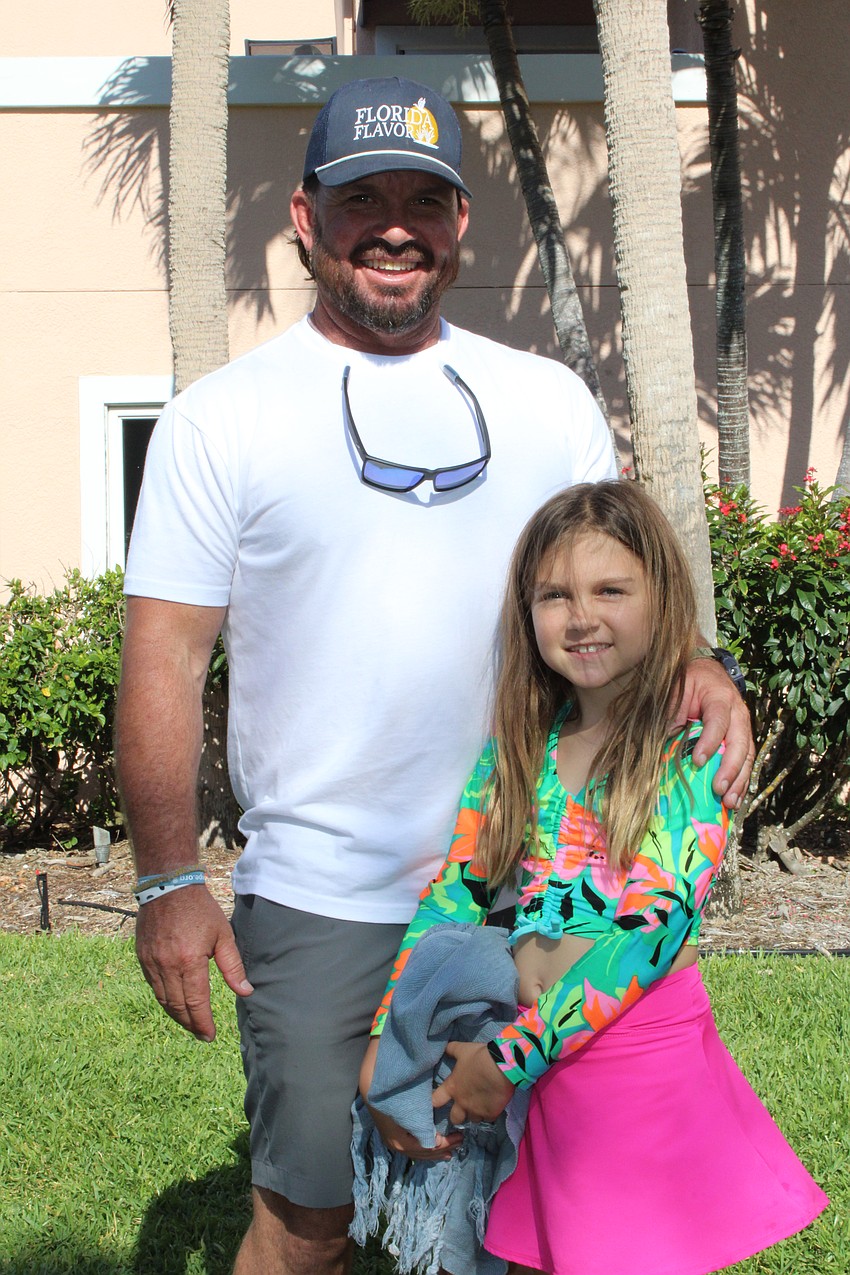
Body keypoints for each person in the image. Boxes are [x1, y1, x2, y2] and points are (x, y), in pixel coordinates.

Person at [115, 76, 753, 1275]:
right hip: (324, 896)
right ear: (306, 216)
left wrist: (699, 661)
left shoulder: (545, 399)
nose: (395, 227)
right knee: (309, 1219)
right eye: (363, 199)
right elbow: (164, 657)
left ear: (459, 222)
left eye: (423, 200)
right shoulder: (220, 421)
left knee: (537, 1220)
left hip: (541, 885)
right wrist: (167, 882)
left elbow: (619, 581)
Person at [361, 481, 828, 1275]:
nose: (582, 616)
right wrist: (388, 1032)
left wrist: (507, 1060)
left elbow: (652, 930)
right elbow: (455, 890)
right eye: (555, 595)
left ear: (662, 598)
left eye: (611, 589)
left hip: (636, 1061)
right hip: (545, 1067)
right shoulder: (523, 745)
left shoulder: (691, 746)